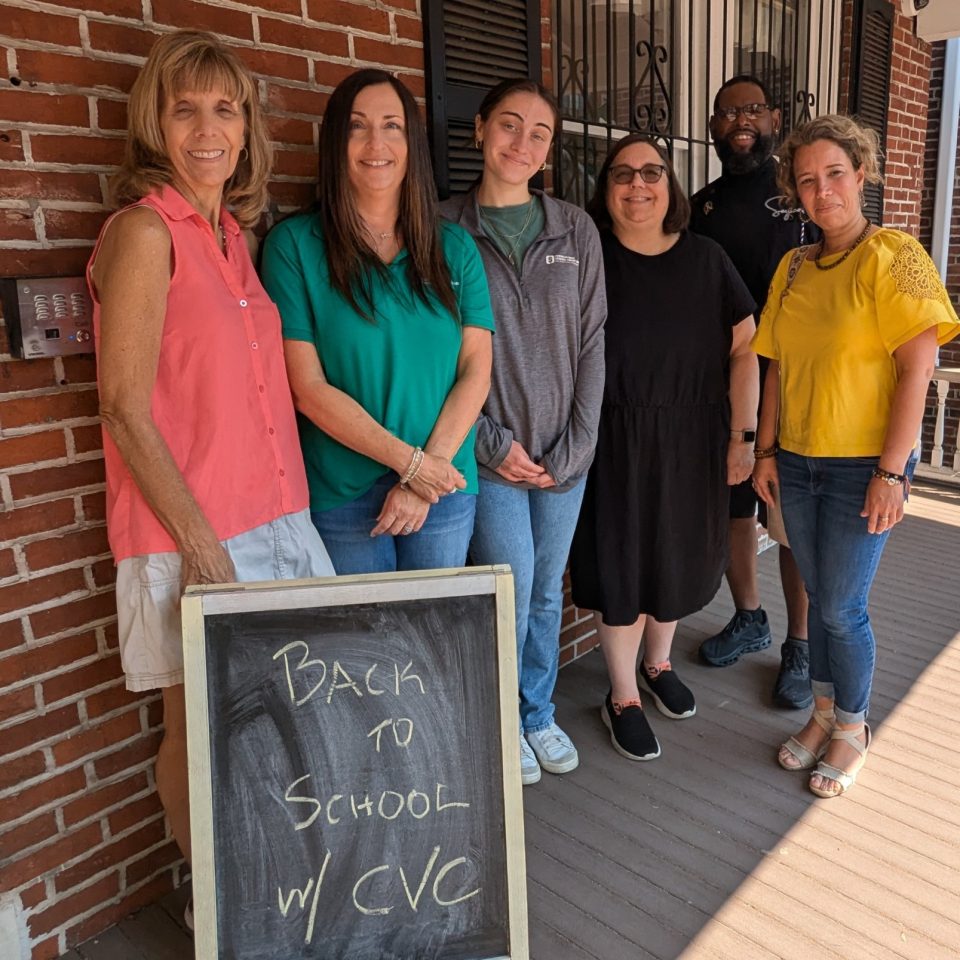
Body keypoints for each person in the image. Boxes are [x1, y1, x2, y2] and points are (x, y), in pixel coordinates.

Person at [88, 30, 335, 884]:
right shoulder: (144, 233)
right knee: (198, 729)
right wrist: (202, 547)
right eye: (183, 106)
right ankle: (218, 905)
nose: (206, 126)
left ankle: (279, 886)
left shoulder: (234, 236)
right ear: (154, 122)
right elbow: (122, 404)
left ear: (246, 127)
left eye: (223, 108)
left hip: (278, 514)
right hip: (193, 536)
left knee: (279, 720)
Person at [752, 114, 958, 797]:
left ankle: (853, 726)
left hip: (862, 466)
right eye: (807, 180)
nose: (822, 190)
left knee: (842, 606)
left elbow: (917, 368)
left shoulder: (895, 256)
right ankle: (820, 714)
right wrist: (766, 451)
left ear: (861, 173)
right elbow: (776, 367)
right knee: (815, 598)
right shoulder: (793, 266)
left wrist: (893, 472)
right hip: (800, 462)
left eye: (834, 173)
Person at [569, 134, 759, 761]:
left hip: (696, 437)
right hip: (614, 438)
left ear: (670, 184)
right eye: (622, 174)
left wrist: (743, 437)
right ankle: (621, 693)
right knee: (621, 561)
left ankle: (657, 663)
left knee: (676, 555)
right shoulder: (589, 258)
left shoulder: (707, 259)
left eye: (651, 171)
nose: (637, 185)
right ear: (606, 190)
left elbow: (744, 351)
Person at [261, 70, 494, 575]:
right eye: (357, 127)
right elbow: (306, 386)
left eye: (392, 126)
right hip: (342, 493)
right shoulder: (295, 247)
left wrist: (421, 478)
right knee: (359, 650)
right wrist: (409, 465)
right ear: (335, 143)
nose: (376, 143)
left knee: (434, 645)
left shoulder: (454, 249)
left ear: (412, 144)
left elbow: (476, 370)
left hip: (443, 486)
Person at [441, 79, 606, 786]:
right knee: (508, 586)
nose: (522, 143)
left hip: (564, 455)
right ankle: (501, 717)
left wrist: (577, 446)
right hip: (490, 453)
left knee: (546, 589)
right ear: (479, 130)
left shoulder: (575, 228)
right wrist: (488, 444)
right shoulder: (443, 227)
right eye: (509, 125)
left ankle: (536, 712)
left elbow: (595, 339)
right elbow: (430, 349)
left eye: (539, 133)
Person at [690, 74, 816, 709]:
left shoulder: (804, 197)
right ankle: (749, 616)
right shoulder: (699, 206)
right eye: (727, 111)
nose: (741, 120)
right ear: (712, 127)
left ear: (774, 119)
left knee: (788, 520)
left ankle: (799, 642)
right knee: (737, 505)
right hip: (728, 385)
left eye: (753, 109)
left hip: (795, 384)